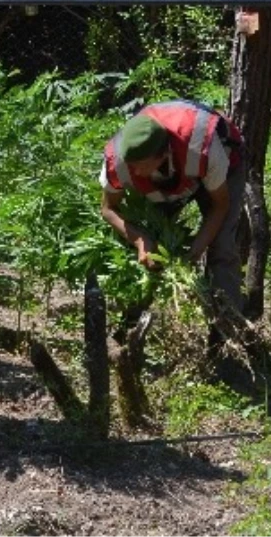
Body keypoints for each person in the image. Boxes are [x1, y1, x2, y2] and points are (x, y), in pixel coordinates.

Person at [99, 99, 246, 363]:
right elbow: (109, 209)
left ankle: (227, 344)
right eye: (129, 165)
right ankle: (126, 332)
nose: (132, 173)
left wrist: (194, 253)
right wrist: (140, 239)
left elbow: (219, 207)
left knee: (222, 249)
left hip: (223, 168)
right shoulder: (120, 159)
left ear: (163, 154)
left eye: (140, 166)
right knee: (149, 254)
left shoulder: (202, 148)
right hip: (172, 178)